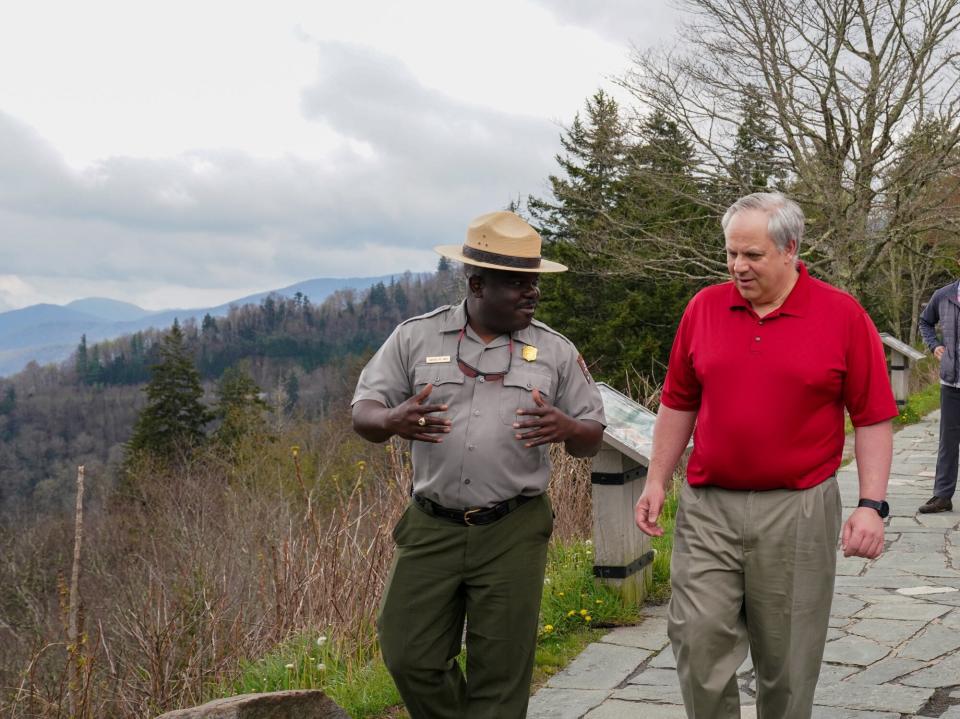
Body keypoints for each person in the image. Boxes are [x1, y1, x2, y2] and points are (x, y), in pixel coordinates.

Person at [634, 192, 897, 719]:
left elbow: (872, 416)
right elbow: (678, 401)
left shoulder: (841, 314)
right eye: (731, 253)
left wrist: (872, 504)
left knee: (788, 660)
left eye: (751, 255)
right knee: (696, 638)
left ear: (789, 249)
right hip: (709, 506)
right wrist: (656, 479)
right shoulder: (705, 307)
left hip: (798, 508)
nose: (738, 266)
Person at [351, 210, 605, 719]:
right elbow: (364, 413)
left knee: (501, 671)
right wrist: (394, 419)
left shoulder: (555, 350)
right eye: (517, 284)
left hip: (514, 527)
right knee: (409, 654)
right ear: (476, 283)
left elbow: (591, 436)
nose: (531, 293)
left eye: (533, 282)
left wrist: (568, 429)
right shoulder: (415, 338)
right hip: (431, 525)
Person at [917, 276, 960, 513]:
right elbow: (925, 321)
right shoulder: (944, 295)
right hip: (952, 381)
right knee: (948, 442)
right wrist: (934, 346)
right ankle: (943, 496)